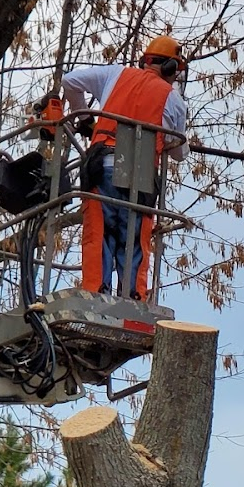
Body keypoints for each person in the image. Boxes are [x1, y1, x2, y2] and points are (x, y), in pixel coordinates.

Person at [63, 36, 189, 300]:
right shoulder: (174, 99)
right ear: (170, 68)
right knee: (135, 241)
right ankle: (133, 299)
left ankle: (96, 296)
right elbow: (179, 153)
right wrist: (165, 138)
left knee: (99, 234)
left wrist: (84, 117)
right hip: (140, 176)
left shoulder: (115, 74)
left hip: (101, 167)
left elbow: (70, 81)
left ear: (146, 60)